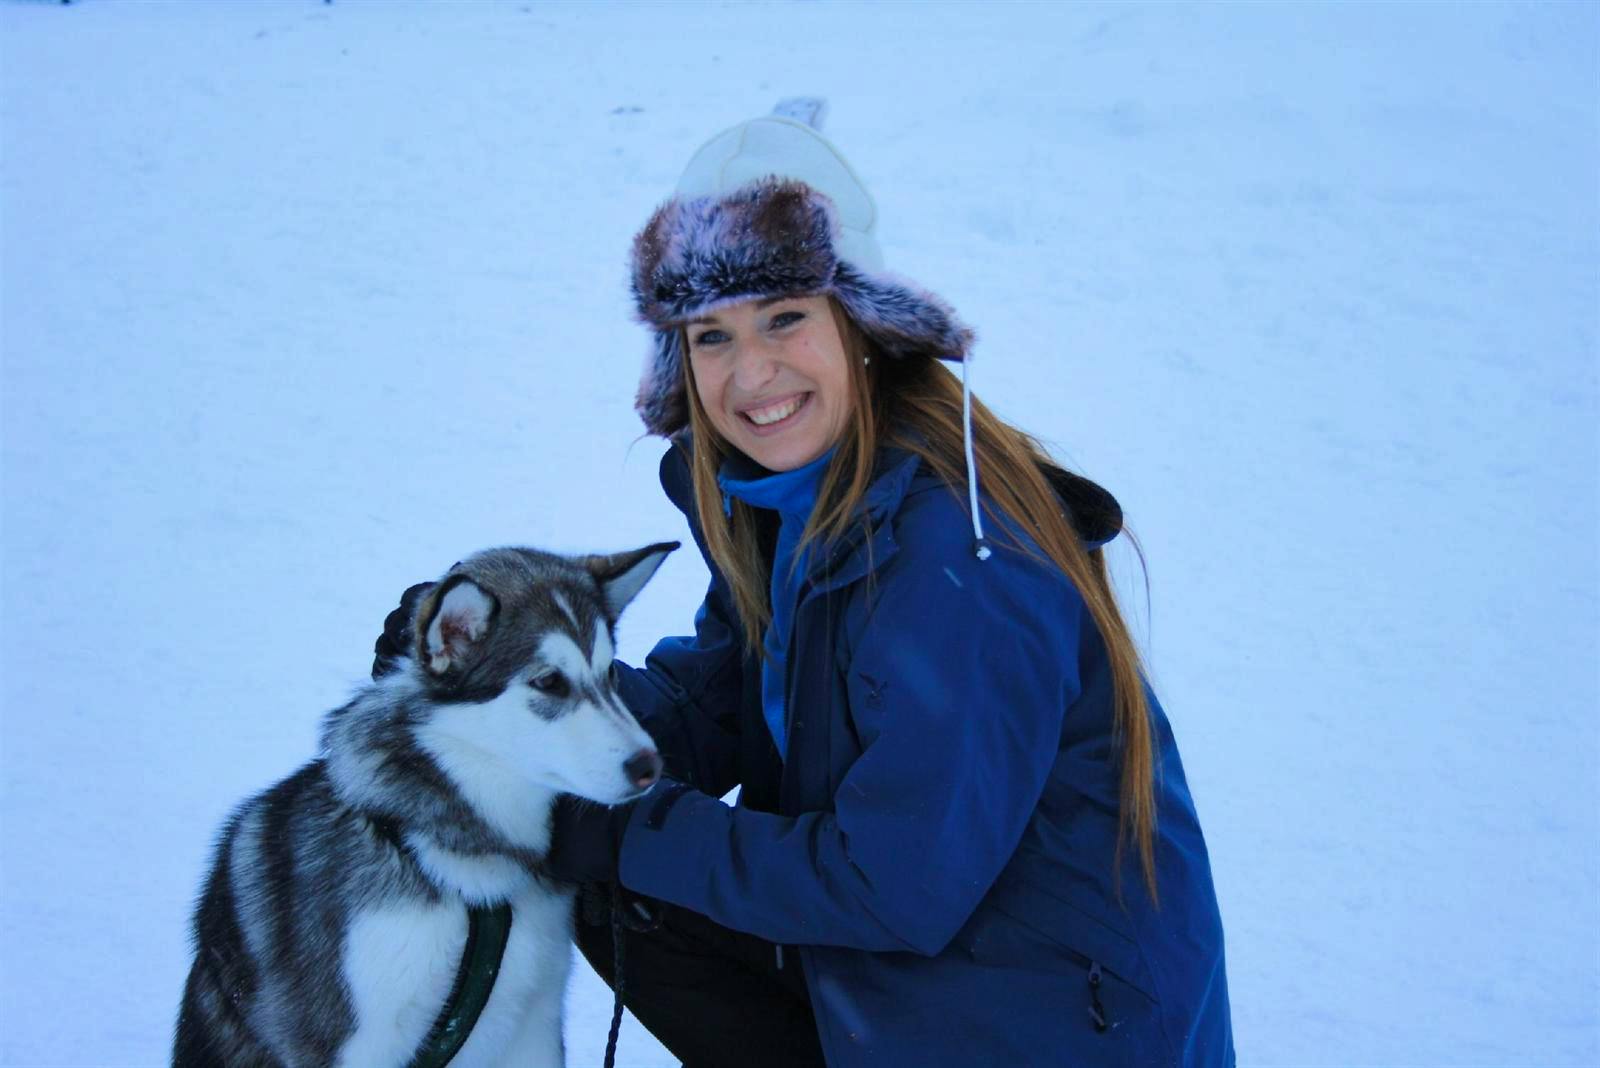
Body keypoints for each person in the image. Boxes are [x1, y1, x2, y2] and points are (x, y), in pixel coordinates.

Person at [382, 114, 1234, 1067]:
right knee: (623, 875)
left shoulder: (963, 565)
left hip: (1039, 1023)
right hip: (912, 980)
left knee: (630, 860)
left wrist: (620, 829)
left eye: (785, 317)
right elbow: (723, 694)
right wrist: (520, 703)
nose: (751, 372)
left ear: (863, 326)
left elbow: (894, 883)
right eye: (711, 335)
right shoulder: (794, 505)